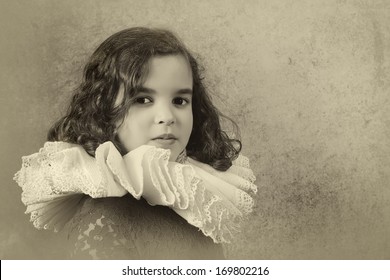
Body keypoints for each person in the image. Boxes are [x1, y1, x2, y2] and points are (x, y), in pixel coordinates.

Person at [14, 27, 257, 259]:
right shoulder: (105, 218)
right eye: (142, 99)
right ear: (105, 108)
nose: (167, 116)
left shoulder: (193, 200)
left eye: (180, 101)